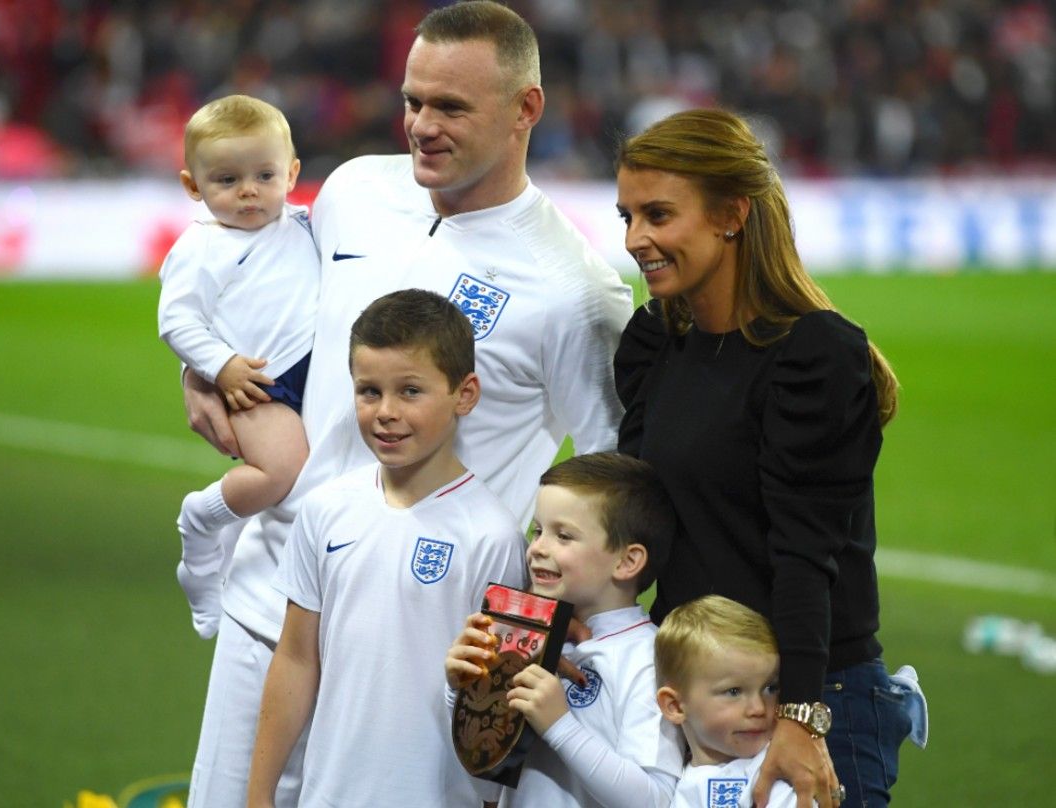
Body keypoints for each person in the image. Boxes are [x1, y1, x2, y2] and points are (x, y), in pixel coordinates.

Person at [181, 3, 632, 805]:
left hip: (421, 657)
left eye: (450, 106)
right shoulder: (354, 191)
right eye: (412, 101)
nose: (421, 125)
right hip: (270, 607)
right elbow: (263, 291)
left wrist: (548, 645)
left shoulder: (575, 293)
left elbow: (615, 483)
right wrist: (201, 368)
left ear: (526, 109)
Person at [613, 107, 913, 808]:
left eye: (658, 214)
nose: (635, 239)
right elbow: (637, 525)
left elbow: (806, 553)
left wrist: (800, 718)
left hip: (807, 701)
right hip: (694, 707)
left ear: (731, 215)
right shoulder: (657, 341)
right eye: (626, 215)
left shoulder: (814, 355)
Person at [245, 289, 527, 807]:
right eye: (368, 391)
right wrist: (258, 795)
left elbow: (494, 708)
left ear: (464, 394)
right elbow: (295, 658)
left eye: (411, 391)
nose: (386, 412)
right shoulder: (325, 509)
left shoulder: (491, 536)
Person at [157, 94, 318, 639]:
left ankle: (232, 538)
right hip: (256, 384)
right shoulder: (200, 248)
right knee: (280, 472)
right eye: (226, 180)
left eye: (264, 175)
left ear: (292, 173)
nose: (249, 190)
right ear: (192, 186)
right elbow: (176, 322)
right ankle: (203, 524)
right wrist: (219, 368)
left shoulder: (307, 226)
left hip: (314, 376)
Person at [446, 451, 686, 808]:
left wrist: (559, 725)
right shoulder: (528, 641)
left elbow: (655, 800)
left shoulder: (648, 659)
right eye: (538, 530)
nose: (537, 548)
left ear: (627, 561)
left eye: (564, 536)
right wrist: (462, 691)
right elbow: (487, 774)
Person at [655, 594, 799, 808]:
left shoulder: (776, 774)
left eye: (770, 688)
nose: (758, 708)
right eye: (734, 692)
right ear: (674, 706)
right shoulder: (673, 783)